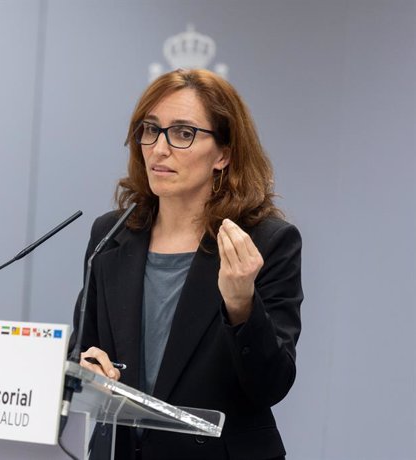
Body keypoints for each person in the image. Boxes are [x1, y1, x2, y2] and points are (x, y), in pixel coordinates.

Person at [70, 68, 303, 460]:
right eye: (150, 129)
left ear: (224, 154)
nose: (159, 149)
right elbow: (84, 350)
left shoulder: (266, 243)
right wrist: (88, 371)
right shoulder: (111, 235)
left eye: (183, 133)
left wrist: (242, 305)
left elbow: (271, 386)